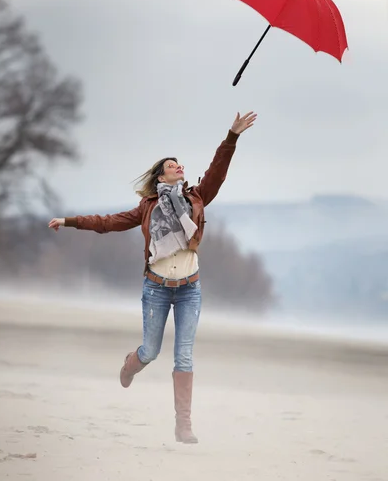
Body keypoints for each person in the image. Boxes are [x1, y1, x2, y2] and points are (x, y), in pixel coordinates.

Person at [48, 111, 257, 444]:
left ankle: (183, 424)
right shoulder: (146, 206)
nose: (179, 166)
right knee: (150, 350)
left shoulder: (197, 198)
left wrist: (232, 136)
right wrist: (69, 220)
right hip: (156, 289)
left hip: (189, 289)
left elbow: (217, 171)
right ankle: (131, 364)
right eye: (172, 164)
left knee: (184, 354)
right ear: (162, 173)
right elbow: (107, 222)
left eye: (180, 163)